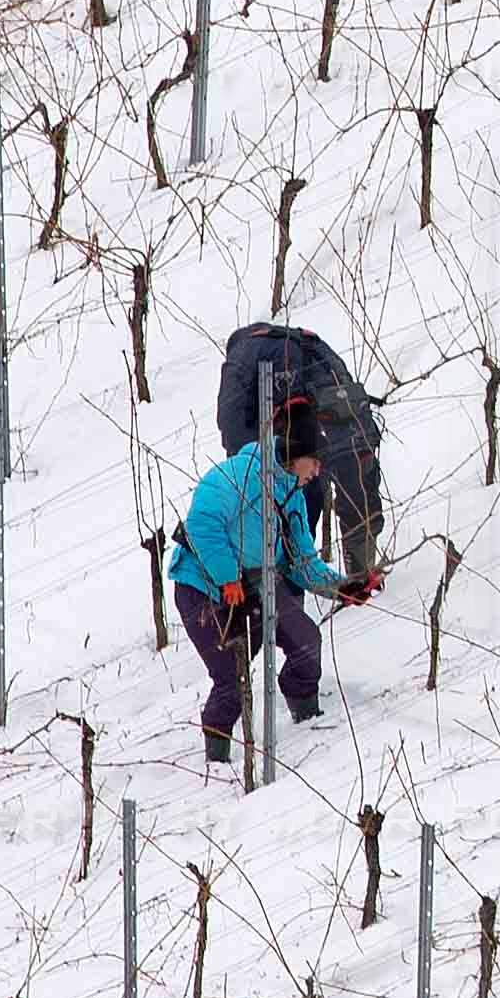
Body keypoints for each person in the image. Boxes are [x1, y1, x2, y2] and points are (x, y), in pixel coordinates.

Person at [170, 428, 360, 759]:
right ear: (294, 455)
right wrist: (227, 577)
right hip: (200, 586)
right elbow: (202, 523)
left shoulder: (294, 498)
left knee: (305, 641)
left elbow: (302, 562)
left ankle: (305, 718)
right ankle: (217, 756)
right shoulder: (238, 475)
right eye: (314, 463)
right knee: (231, 676)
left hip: (256, 586)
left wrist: (344, 588)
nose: (317, 472)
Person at [212, 322, 389, 585]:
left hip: (300, 443)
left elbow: (231, 420)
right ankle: (363, 576)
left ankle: (288, 586)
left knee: (298, 505)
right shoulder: (310, 340)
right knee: (357, 488)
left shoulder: (241, 356)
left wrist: (245, 470)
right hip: (351, 430)